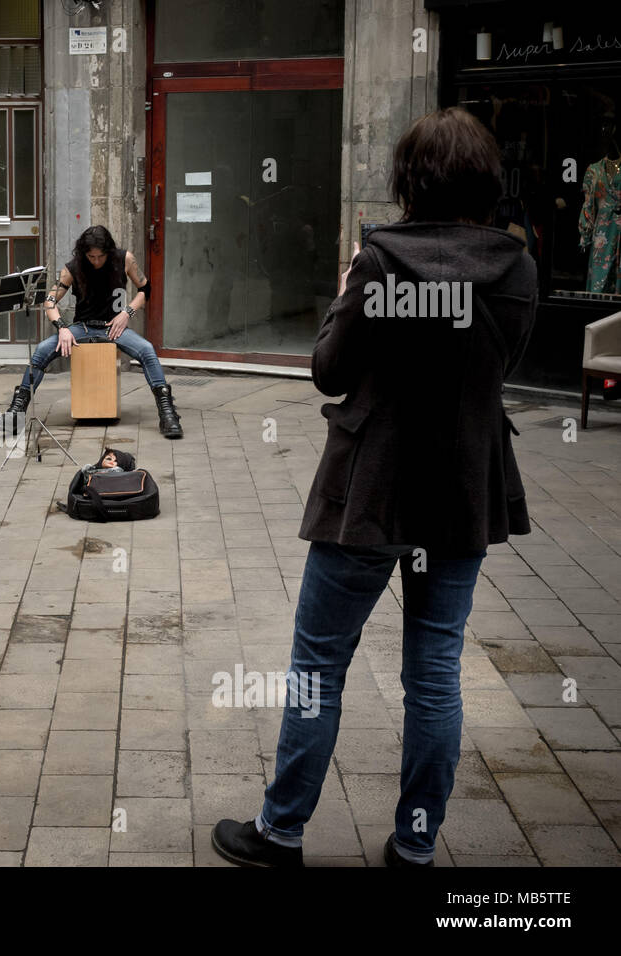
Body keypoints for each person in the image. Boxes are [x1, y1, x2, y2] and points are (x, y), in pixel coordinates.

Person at [211, 107, 537, 867]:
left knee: (319, 667)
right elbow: (500, 369)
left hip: (372, 489)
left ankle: (281, 832)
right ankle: (415, 848)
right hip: (462, 490)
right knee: (434, 674)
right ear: (486, 182)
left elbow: (328, 367)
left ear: (410, 182)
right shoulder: (516, 267)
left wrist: (344, 291)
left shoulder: (382, 261)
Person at [0, 225, 183, 439]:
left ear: (108, 251)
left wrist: (127, 312)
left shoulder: (124, 258)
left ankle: (167, 413)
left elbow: (145, 289)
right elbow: (50, 301)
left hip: (114, 328)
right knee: (42, 350)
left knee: (147, 349)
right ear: (84, 253)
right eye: (91, 256)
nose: (96, 261)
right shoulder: (73, 267)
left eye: (101, 256)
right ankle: (15, 414)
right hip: (82, 327)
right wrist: (62, 328)